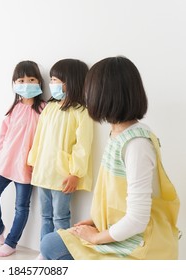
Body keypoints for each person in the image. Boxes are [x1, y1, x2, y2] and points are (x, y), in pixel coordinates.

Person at [40, 56, 180, 260]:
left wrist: (96, 238)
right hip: (119, 230)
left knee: (51, 245)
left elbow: (137, 219)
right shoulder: (118, 134)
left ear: (104, 94)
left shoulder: (136, 145)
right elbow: (114, 196)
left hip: (137, 244)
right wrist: (94, 220)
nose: (85, 94)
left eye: (89, 89)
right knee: (50, 243)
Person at [28, 59, 93, 242]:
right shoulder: (49, 108)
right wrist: (34, 161)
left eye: (56, 80)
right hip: (43, 171)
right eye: (52, 80)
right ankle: (45, 250)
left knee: (60, 216)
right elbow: (38, 137)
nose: (52, 84)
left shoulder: (81, 112)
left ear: (70, 82)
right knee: (45, 215)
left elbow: (83, 146)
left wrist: (76, 173)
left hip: (63, 175)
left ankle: (61, 252)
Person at [0, 60, 46, 257]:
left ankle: (11, 243)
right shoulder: (15, 108)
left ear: (39, 82)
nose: (26, 83)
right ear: (14, 83)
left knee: (21, 206)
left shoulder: (44, 109)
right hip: (7, 162)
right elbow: (3, 133)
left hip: (27, 165)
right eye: (21, 80)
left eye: (31, 79)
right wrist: (3, 152)